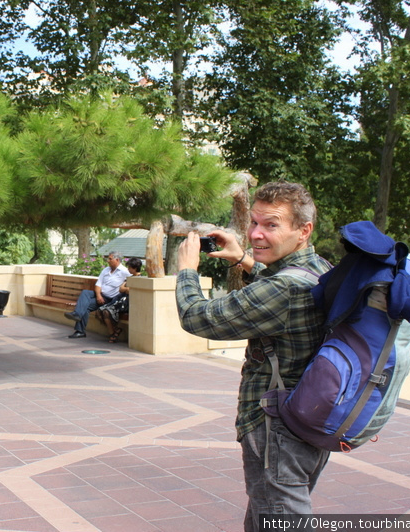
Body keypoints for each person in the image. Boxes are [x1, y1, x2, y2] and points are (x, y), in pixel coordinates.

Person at [174, 181, 332, 530]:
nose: (257, 234)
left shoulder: (284, 288)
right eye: (254, 223)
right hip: (306, 420)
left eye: (271, 225)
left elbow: (197, 317)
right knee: (267, 517)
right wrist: (243, 258)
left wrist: (186, 270)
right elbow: (283, 289)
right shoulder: (319, 269)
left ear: (303, 230)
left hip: (277, 430)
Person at [65, 251, 130, 339]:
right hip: (100, 296)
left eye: (110, 259)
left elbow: (135, 279)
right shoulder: (106, 270)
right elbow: (98, 284)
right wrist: (98, 295)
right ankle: (78, 316)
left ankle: (79, 330)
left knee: (86, 307)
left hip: (110, 300)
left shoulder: (124, 271)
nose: (108, 260)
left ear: (117, 260)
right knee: (85, 292)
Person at [98, 257, 142, 343]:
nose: (128, 269)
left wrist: (126, 289)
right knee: (100, 310)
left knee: (106, 311)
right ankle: (115, 331)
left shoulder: (140, 278)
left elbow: (131, 291)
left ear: (135, 268)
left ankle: (113, 334)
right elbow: (121, 289)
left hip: (126, 303)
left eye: (130, 267)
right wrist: (126, 289)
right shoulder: (130, 277)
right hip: (119, 300)